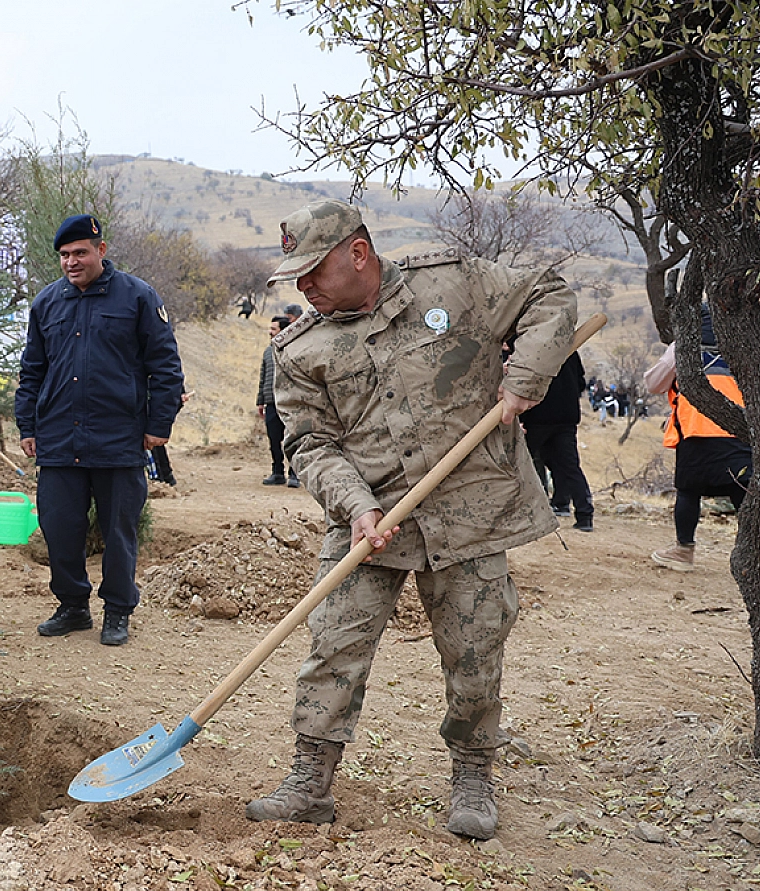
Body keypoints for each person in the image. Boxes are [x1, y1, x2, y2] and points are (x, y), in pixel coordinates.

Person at [249, 198, 575, 841]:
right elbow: (309, 445)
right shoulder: (300, 350)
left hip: (469, 513)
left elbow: (550, 292)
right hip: (370, 520)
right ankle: (310, 777)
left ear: (358, 252)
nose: (305, 288)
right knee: (333, 644)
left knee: (475, 649)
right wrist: (357, 506)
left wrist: (527, 374)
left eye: (314, 272)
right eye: (296, 278)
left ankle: (473, 774)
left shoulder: (455, 283)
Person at [15, 214, 184, 647]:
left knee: (119, 531)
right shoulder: (46, 304)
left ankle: (117, 611)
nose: (72, 262)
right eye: (64, 256)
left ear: (101, 250)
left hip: (118, 438)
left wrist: (158, 425)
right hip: (58, 439)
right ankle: (72, 607)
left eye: (80, 253)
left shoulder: (138, 297)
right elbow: (32, 370)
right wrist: (27, 424)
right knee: (60, 527)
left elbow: (164, 365)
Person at [644, 306, 750, 572]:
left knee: (689, 492)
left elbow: (654, 384)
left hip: (695, 430)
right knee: (744, 494)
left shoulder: (685, 346)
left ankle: (683, 551)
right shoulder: (744, 344)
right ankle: (754, 556)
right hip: (739, 432)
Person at [520, 352, 594, 532]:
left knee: (522, 462)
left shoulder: (532, 347)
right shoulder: (570, 349)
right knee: (570, 466)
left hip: (537, 416)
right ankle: (585, 515)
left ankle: (526, 511)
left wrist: (520, 416)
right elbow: (581, 382)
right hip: (566, 416)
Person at [258, 304, 301, 488]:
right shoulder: (268, 352)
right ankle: (277, 472)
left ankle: (294, 474)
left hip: (291, 403)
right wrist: (260, 401)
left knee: (292, 440)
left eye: (273, 329)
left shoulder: (295, 350)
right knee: (273, 439)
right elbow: (263, 376)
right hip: (271, 403)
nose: (270, 332)